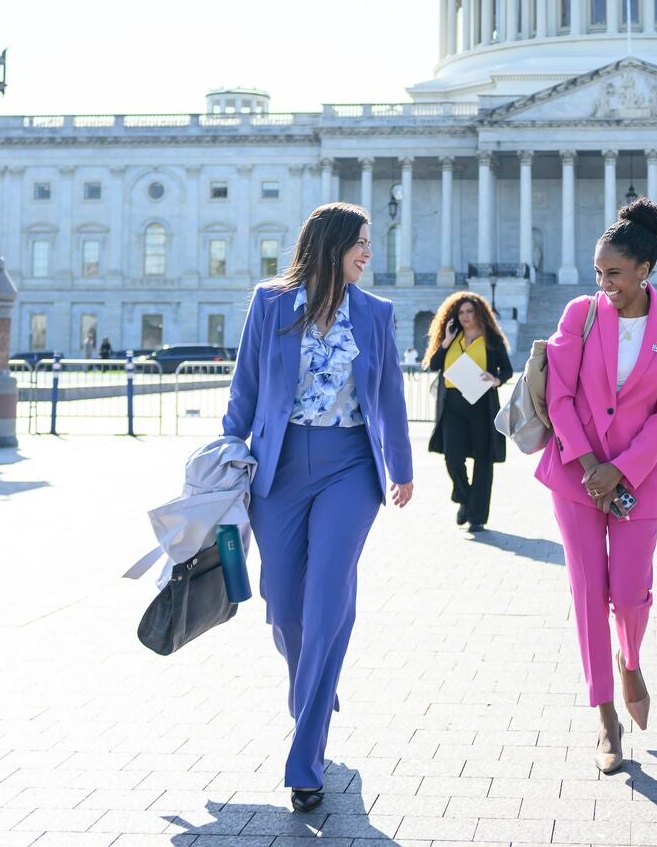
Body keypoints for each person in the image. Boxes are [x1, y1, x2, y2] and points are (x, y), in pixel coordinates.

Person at [220, 202, 415, 813]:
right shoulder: (271, 302)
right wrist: (227, 450)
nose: (369, 253)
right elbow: (246, 383)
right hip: (277, 469)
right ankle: (312, 688)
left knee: (328, 597)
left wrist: (401, 468)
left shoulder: (376, 313)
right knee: (283, 606)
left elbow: (388, 395)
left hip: (350, 468)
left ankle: (305, 757)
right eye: (361, 242)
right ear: (331, 246)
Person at [536, 197, 657, 775]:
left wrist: (622, 468)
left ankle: (631, 658)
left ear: (645, 271)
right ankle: (605, 717)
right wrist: (586, 463)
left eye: (615, 274)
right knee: (587, 594)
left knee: (628, 594)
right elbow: (558, 396)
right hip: (575, 476)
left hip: (637, 479)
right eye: (598, 271)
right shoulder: (579, 314)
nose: (604, 284)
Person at [425, 292, 513, 533]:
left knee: (483, 461)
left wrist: (495, 379)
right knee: (452, 457)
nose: (465, 316)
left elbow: (506, 370)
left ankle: (477, 516)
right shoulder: (452, 338)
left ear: (479, 313)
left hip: (482, 404)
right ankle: (464, 498)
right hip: (453, 406)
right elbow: (434, 365)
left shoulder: (492, 339)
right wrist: (445, 341)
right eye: (461, 312)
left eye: (470, 312)